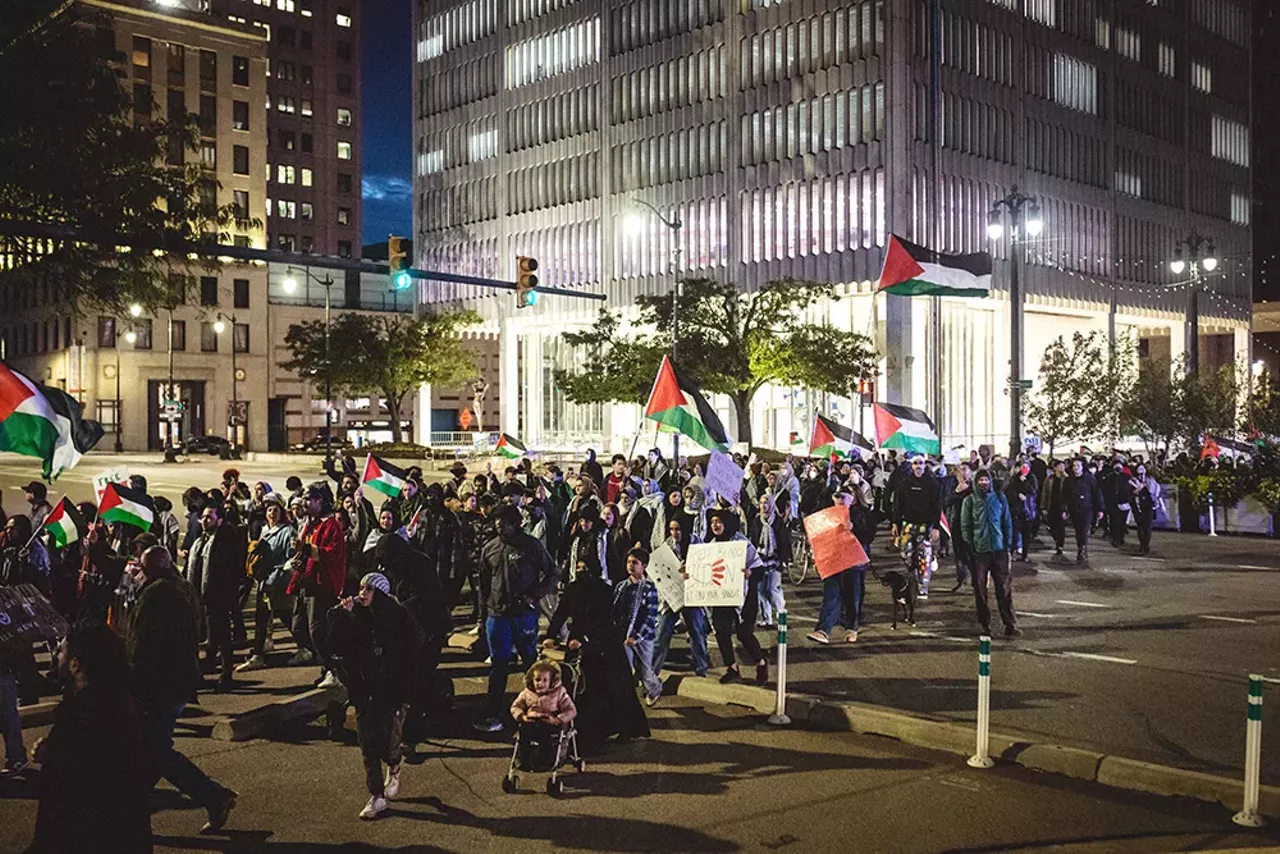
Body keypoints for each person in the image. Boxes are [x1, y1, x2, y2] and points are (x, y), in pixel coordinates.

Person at [128, 546, 237, 835]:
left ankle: (214, 796)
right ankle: (129, 815)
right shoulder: (183, 588)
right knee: (151, 751)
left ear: (148, 568)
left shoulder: (153, 595)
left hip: (160, 684)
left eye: (140, 566)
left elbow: (142, 646)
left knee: (154, 750)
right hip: (180, 679)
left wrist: (133, 686)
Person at [27, 621, 152, 853]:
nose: (57, 655)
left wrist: (51, 754)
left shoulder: (83, 713)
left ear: (76, 664)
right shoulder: (119, 702)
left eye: (62, 650)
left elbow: (81, 779)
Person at [327, 572, 416, 820]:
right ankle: (376, 795)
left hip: (389, 690)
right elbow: (334, 645)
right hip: (362, 690)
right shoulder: (357, 617)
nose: (362, 593)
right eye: (361, 588)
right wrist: (344, 616)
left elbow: (407, 655)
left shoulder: (396, 619)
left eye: (369, 589)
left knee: (387, 739)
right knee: (367, 742)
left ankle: (395, 764)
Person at [474, 505, 557, 732]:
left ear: (515, 523)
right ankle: (493, 714)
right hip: (497, 616)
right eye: (497, 524)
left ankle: (541, 710)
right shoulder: (489, 548)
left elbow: (552, 572)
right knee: (499, 665)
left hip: (523, 617)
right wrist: (483, 618)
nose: (499, 527)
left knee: (531, 664)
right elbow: (483, 585)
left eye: (504, 524)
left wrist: (534, 596)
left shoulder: (532, 546)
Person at [288, 481, 347, 688]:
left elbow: (329, 554)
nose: (303, 502)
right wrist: (297, 559)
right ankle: (325, 664)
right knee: (298, 625)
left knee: (317, 630)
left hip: (321, 585)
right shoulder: (310, 523)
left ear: (319, 501)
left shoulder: (331, 526)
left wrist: (305, 549)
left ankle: (333, 670)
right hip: (305, 581)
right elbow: (303, 551)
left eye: (308, 499)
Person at [183, 503, 248, 690]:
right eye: (203, 516)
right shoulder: (200, 541)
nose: (204, 520)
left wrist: (226, 594)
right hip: (197, 596)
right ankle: (204, 671)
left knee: (221, 636)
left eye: (209, 517)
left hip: (216, 597)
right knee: (205, 637)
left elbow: (231, 570)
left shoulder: (225, 541)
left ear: (219, 520)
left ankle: (226, 673)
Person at [706, 510, 768, 686]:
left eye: (718, 521)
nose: (715, 525)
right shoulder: (711, 545)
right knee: (721, 630)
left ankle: (761, 663)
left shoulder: (741, 543)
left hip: (745, 596)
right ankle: (732, 668)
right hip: (722, 595)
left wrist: (750, 572)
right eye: (712, 522)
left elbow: (760, 569)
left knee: (744, 634)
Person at [237, 495, 297, 672]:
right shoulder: (264, 531)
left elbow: (291, 557)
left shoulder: (288, 532)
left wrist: (281, 573)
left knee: (285, 616)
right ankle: (258, 654)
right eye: (269, 509)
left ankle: (306, 646)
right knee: (262, 618)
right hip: (264, 583)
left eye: (275, 509)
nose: (271, 512)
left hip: (278, 583)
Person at [961, 471, 1020, 638]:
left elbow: (1007, 522)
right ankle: (985, 624)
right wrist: (971, 546)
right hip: (980, 552)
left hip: (999, 550)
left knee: (1004, 588)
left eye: (986, 479)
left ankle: (1009, 623)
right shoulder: (970, 501)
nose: (984, 482)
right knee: (980, 589)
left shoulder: (1000, 498)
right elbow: (965, 526)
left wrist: (1008, 546)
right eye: (980, 479)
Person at [650, 519, 709, 677]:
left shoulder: (696, 543)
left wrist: (691, 567)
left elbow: (706, 565)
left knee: (697, 633)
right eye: (671, 529)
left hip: (691, 595)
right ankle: (652, 674)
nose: (674, 533)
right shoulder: (666, 547)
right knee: (661, 635)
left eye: (678, 529)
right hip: (672, 598)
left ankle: (701, 670)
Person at [613, 547, 662, 706]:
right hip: (623, 634)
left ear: (644, 566)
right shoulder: (621, 586)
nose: (630, 565)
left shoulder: (649, 588)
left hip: (642, 636)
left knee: (646, 670)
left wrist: (637, 637)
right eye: (628, 562)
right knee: (623, 668)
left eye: (635, 562)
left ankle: (654, 689)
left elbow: (650, 616)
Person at [750, 495, 788, 630]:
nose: (763, 505)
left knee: (772, 588)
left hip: (774, 559)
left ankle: (781, 614)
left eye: (766, 503)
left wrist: (784, 560)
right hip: (759, 559)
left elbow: (784, 541)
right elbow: (753, 540)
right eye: (761, 503)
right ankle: (767, 618)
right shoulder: (756, 521)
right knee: (761, 590)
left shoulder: (777, 521)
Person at [1066, 458, 1104, 563]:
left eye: (1078, 466)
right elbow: (1065, 496)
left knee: (1083, 530)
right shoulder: (1069, 480)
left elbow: (1097, 494)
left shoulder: (1090, 479)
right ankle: (1081, 548)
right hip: (1074, 509)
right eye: (1074, 466)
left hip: (1087, 509)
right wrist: (1064, 510)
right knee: (1078, 531)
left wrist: (1100, 509)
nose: (1076, 468)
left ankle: (1082, 550)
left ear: (1083, 467)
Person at [1004, 464, 1038, 562]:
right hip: (1016, 510)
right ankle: (1011, 553)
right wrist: (1017, 495)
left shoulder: (1032, 478)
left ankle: (1025, 554)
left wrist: (1025, 481)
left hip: (1028, 510)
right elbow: (1008, 491)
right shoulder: (1014, 479)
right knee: (1014, 534)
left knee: (1026, 534)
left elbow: (1033, 492)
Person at [1040, 459, 1070, 557]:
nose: (1062, 468)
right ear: (1055, 468)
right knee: (1052, 525)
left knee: (1061, 526)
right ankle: (1056, 539)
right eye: (1059, 466)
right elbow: (1044, 493)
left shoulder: (1066, 479)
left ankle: (1060, 545)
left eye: (1063, 466)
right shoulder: (1049, 479)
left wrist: (1067, 509)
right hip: (1051, 505)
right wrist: (1043, 506)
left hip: (1062, 507)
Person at [1131, 465, 1161, 555]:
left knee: (1147, 527)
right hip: (1138, 506)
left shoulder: (1151, 482)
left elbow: (1155, 494)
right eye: (1139, 474)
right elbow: (1131, 493)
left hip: (1148, 507)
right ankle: (1142, 545)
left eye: (1142, 473)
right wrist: (1139, 488)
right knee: (1140, 526)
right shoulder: (1133, 481)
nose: (1141, 476)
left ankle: (1145, 545)